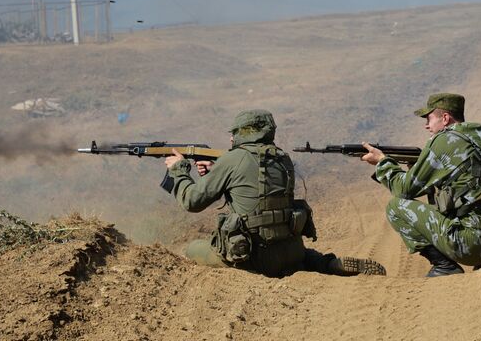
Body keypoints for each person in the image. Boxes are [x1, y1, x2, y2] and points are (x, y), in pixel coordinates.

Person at [164, 109, 386, 278]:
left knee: (192, 248)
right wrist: (216, 172)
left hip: (251, 258)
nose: (231, 138)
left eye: (235, 133)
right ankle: (326, 264)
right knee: (301, 256)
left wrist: (179, 170)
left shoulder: (233, 159)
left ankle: (316, 263)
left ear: (245, 133)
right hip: (290, 253)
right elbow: (254, 191)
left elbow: (192, 201)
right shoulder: (282, 158)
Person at [360, 93, 481, 277]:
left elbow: (403, 190)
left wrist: (382, 162)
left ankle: (444, 266)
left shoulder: (444, 140)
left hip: (471, 245)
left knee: (395, 207)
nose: (426, 125)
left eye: (429, 118)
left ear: (445, 118)